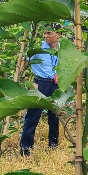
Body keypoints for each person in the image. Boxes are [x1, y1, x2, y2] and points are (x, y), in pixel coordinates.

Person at [20, 25, 61, 156]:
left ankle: (53, 146)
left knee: (54, 117)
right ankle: (26, 149)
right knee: (33, 116)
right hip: (40, 84)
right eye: (44, 33)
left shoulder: (63, 49)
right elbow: (22, 64)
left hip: (55, 86)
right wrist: (31, 82)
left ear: (58, 34)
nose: (45, 36)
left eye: (48, 33)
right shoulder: (37, 49)